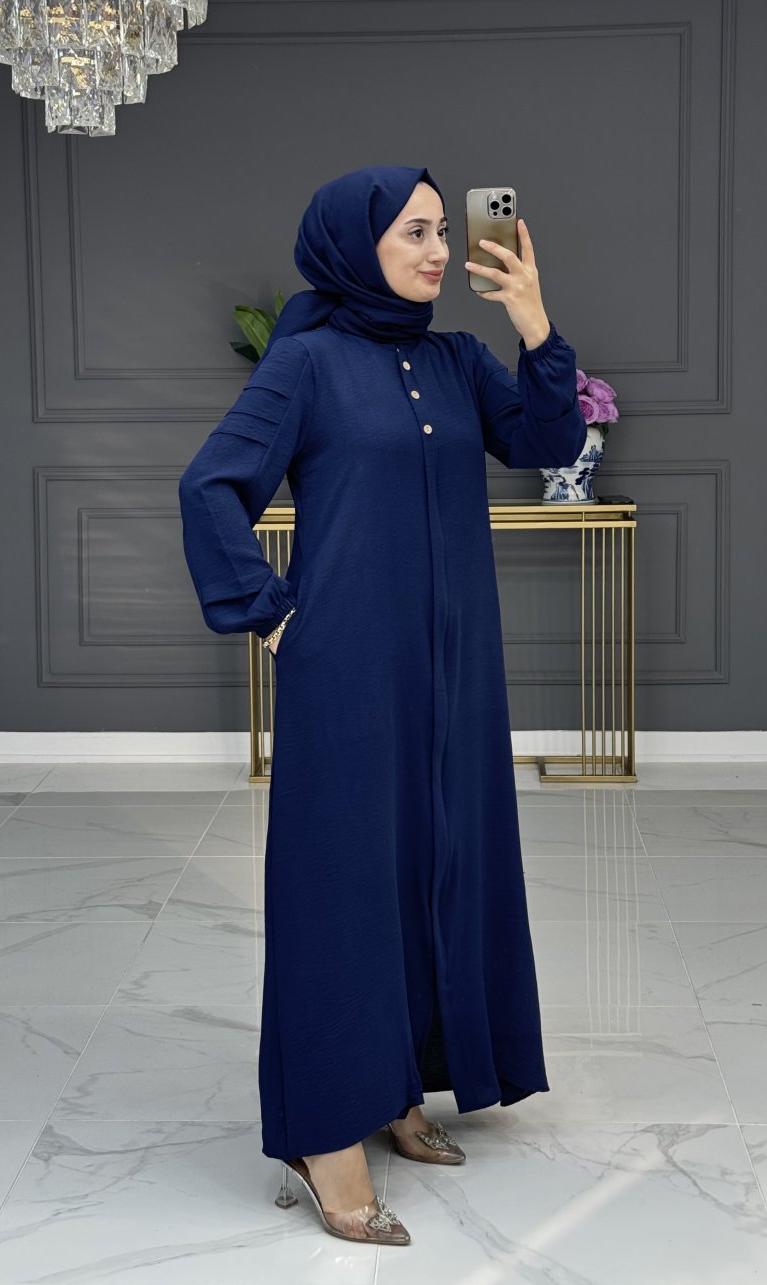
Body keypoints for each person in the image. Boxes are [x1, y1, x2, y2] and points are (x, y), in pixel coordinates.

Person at [178, 165, 586, 1246]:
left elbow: (547, 444)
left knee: (434, 868)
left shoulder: (456, 361)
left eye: (442, 230)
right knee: (342, 888)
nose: (439, 250)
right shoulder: (305, 364)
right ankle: (324, 1136)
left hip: (457, 674)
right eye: (414, 232)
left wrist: (534, 323)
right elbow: (209, 485)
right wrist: (272, 617)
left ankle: (398, 1084)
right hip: (347, 674)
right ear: (356, 245)